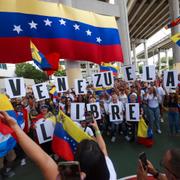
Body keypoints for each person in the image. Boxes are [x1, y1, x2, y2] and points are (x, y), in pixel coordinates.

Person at [0, 111, 117, 180]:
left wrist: (15, 127)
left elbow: (43, 160)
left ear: (80, 171)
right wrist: (96, 129)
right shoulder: (108, 167)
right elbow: (103, 149)